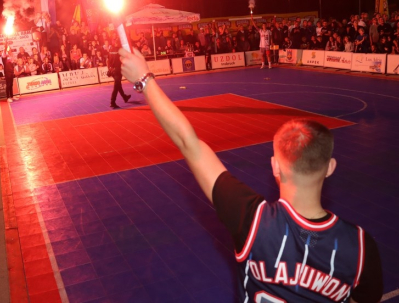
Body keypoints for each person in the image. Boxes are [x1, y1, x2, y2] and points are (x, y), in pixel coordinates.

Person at [118, 47, 383, 303]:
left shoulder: (253, 221)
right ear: (331, 167)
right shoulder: (359, 248)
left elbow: (190, 144)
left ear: (275, 167)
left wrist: (145, 80)